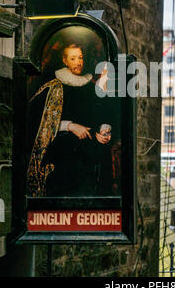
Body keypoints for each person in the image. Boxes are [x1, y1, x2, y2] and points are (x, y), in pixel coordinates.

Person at [27, 43, 119, 197]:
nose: (78, 62)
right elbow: (40, 120)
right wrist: (70, 126)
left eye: (80, 58)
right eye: (73, 58)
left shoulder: (90, 86)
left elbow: (102, 114)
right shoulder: (54, 86)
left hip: (88, 156)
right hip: (62, 155)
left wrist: (104, 130)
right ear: (65, 61)